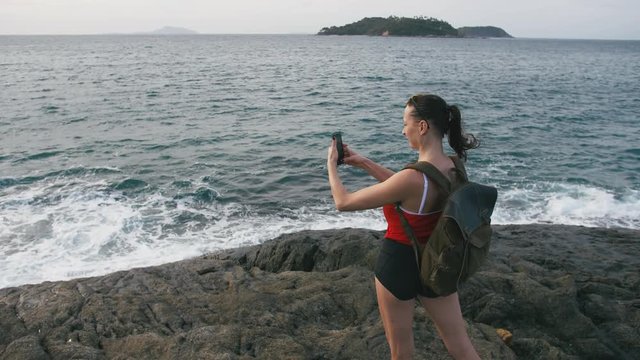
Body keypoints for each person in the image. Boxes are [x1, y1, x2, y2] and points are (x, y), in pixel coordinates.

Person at [327, 94, 481, 360]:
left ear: (422, 127)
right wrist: (363, 162)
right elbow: (407, 188)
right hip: (438, 263)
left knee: (402, 352)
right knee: (461, 346)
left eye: (405, 123)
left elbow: (343, 202)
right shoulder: (455, 166)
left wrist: (331, 166)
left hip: (398, 264)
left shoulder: (412, 178)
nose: (403, 130)